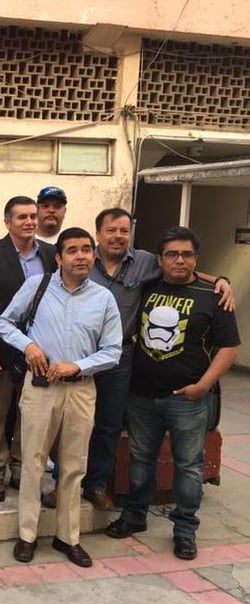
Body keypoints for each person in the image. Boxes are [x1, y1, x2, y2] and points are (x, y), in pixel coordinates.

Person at [82, 208, 234, 510]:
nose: (118, 236)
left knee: (110, 426)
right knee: (72, 422)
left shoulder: (143, 262)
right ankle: (66, 484)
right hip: (81, 355)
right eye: (111, 230)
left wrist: (220, 280)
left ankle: (96, 485)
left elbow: (181, 267)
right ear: (98, 234)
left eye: (124, 231)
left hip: (120, 355)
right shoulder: (83, 258)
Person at [106, 226, 240, 561]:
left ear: (196, 258)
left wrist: (203, 386)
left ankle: (184, 530)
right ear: (160, 259)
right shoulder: (147, 286)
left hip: (189, 399)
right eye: (172, 254)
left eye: (187, 254)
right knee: (140, 461)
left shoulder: (215, 297)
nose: (180, 260)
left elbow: (229, 348)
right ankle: (135, 515)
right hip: (142, 396)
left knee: (189, 467)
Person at [0, 227, 122, 568]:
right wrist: (30, 345)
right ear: (59, 258)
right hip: (40, 390)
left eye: (86, 250)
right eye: (73, 250)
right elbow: (5, 323)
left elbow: (113, 350)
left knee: (73, 466)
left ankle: (69, 538)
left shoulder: (103, 298)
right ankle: (27, 534)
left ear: (93, 256)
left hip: (81, 390)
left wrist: (77, 366)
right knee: (33, 462)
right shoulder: (37, 287)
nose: (80, 256)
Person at [0, 196, 57, 503]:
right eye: (21, 217)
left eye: (33, 216)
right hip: (0, 351)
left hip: (40, 352)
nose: (29, 222)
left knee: (29, 414)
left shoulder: (50, 254)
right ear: (7, 221)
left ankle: (21, 468)